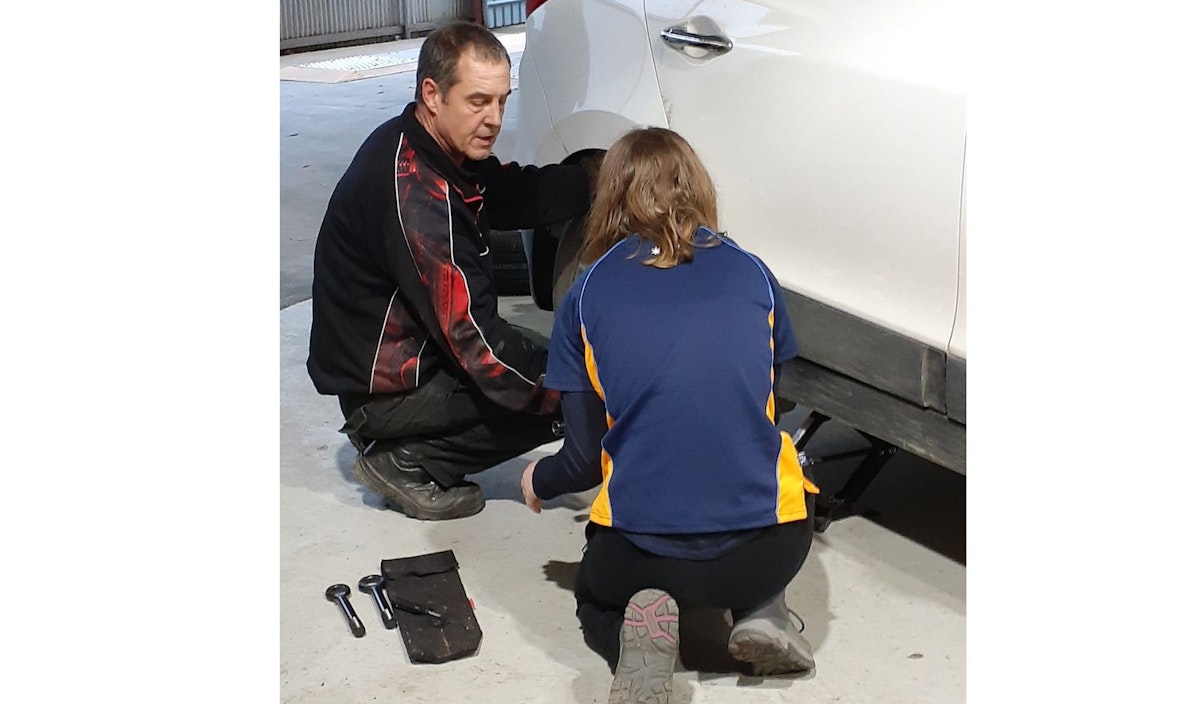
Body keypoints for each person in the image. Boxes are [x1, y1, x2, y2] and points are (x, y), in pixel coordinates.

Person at [520, 127, 821, 703]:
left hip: (640, 557)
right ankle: (762, 610)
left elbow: (583, 463)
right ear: (698, 187)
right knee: (781, 472)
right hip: (770, 547)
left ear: (610, 197)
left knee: (594, 591)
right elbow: (760, 408)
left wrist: (540, 479)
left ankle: (636, 634)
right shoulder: (754, 273)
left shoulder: (587, 293)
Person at [307, 21, 592, 521]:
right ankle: (408, 460)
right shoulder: (418, 196)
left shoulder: (427, 143)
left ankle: (413, 441)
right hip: (384, 390)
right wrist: (579, 389)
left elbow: (509, 194)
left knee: (546, 367)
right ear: (432, 94)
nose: (494, 119)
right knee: (569, 393)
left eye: (502, 100)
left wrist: (596, 181)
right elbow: (477, 343)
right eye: (478, 101)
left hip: (403, 357)